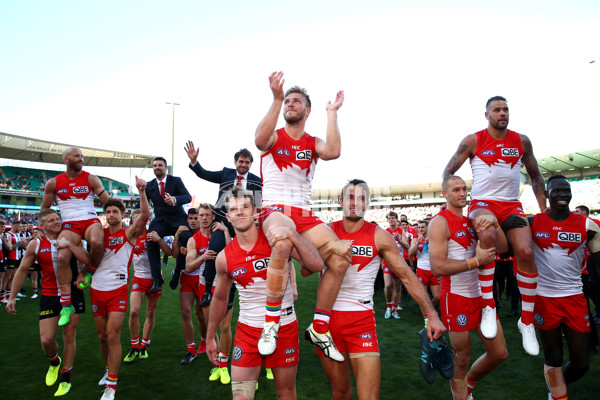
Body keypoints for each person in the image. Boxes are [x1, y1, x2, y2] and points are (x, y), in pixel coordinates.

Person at [255, 71, 351, 360]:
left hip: (305, 213)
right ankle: (270, 323)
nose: (290, 104)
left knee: (340, 259)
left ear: (307, 110)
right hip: (275, 209)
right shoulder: (275, 136)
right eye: (287, 101)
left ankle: (320, 327)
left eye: (295, 101)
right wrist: (275, 99)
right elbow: (259, 141)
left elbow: (333, 151)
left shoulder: (311, 142)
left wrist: (331, 113)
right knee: (283, 242)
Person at [321, 179, 445, 400]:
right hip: (327, 322)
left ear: (367, 203)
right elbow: (304, 270)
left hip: (362, 321)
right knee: (340, 393)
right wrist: (329, 246)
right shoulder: (326, 232)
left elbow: (407, 275)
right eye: (350, 197)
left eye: (361, 198)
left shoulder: (379, 235)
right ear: (340, 201)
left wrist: (431, 314)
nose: (355, 202)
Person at [442, 96, 545, 355]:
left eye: (506, 109)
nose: (503, 113)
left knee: (526, 252)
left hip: (511, 205)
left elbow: (535, 175)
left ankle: (527, 321)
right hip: (483, 203)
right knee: (487, 233)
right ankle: (489, 306)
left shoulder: (521, 141)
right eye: (497, 110)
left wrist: (543, 212)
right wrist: (454, 205)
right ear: (486, 115)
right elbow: (448, 172)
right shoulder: (473, 140)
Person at [206, 187, 324, 400]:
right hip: (247, 330)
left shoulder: (276, 240)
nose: (239, 212)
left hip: (284, 327)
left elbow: (316, 265)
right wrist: (209, 337)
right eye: (233, 209)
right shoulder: (224, 257)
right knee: (241, 396)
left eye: (245, 207)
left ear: (256, 211)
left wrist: (293, 235)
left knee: (286, 394)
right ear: (227, 216)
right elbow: (220, 298)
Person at [429, 175, 510, 400]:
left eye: (465, 189)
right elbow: (437, 267)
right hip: (455, 296)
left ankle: (469, 388)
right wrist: (475, 261)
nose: (462, 193)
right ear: (445, 194)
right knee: (462, 358)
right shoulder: (440, 222)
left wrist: (494, 222)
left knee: (499, 353)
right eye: (456, 190)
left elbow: (503, 248)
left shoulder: (474, 219)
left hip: (482, 298)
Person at [76, 176, 150, 400]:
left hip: (117, 290)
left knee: (112, 334)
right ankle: (108, 369)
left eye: (115, 212)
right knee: (102, 337)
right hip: (96, 290)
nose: (111, 215)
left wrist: (142, 192)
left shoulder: (128, 233)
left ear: (122, 214)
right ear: (105, 215)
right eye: (108, 212)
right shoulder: (97, 234)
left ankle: (112, 386)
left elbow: (145, 215)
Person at [530, 175, 600, 399]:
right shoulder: (531, 223)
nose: (562, 194)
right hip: (544, 299)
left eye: (566, 191)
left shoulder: (587, 225)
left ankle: (556, 387)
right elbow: (505, 249)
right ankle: (556, 394)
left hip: (575, 299)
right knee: (553, 358)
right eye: (557, 191)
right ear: (546, 195)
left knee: (582, 362)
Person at [5, 208, 89, 397]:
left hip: (73, 294)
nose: (56, 222)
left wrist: (83, 273)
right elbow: (22, 270)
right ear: (42, 225)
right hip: (50, 294)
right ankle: (54, 362)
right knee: (47, 339)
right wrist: (11, 297)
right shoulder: (36, 244)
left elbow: (86, 260)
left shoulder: (72, 238)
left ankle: (66, 378)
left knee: (69, 337)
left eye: (57, 218)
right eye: (51, 220)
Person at [183, 143, 262, 305]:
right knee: (213, 250)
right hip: (222, 220)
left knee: (241, 256)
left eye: (247, 162)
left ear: (251, 164)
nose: (244, 165)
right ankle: (206, 293)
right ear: (235, 162)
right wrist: (194, 162)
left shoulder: (256, 181)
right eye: (241, 161)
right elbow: (204, 174)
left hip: (244, 224)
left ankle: (232, 293)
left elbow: (258, 206)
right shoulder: (226, 173)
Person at [41, 147, 110, 326]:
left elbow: (108, 201)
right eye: (76, 156)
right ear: (66, 159)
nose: (81, 159)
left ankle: (88, 272)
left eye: (81, 156)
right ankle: (66, 304)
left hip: (89, 219)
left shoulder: (90, 178)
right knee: (62, 255)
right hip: (70, 224)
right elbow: (45, 210)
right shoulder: (53, 183)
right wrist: (42, 229)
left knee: (97, 241)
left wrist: (117, 218)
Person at [184, 204, 233, 381]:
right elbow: (188, 267)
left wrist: (226, 231)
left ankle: (224, 365)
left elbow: (234, 254)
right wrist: (203, 257)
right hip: (204, 286)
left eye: (207, 215)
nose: (204, 218)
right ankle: (217, 366)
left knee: (225, 326)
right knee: (213, 329)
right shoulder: (193, 240)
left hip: (224, 284)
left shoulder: (221, 232)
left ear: (213, 217)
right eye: (201, 215)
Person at [123, 209, 172, 363]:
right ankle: (134, 347)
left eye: (142, 219)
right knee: (134, 312)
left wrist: (158, 240)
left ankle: (144, 345)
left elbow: (168, 252)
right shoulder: (129, 237)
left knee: (150, 313)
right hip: (139, 278)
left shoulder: (152, 234)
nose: (139, 222)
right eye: (136, 219)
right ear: (132, 221)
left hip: (154, 279)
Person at [145, 156, 192, 293]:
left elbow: (187, 197)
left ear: (166, 168)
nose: (157, 167)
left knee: (186, 238)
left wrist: (175, 199)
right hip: (161, 221)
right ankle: (157, 279)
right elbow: (142, 204)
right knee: (150, 238)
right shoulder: (149, 186)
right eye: (155, 165)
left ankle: (177, 270)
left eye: (160, 165)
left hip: (178, 219)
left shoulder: (175, 181)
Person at [409, 219, 440, 325]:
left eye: (423, 227)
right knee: (423, 295)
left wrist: (430, 242)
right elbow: (410, 253)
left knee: (437, 296)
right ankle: (427, 319)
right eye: (419, 227)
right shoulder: (415, 239)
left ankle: (431, 311)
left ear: (428, 228)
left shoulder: (434, 238)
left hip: (434, 270)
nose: (420, 229)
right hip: (422, 270)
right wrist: (418, 243)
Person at [382, 211, 407, 319]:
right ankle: (388, 306)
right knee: (387, 285)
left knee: (397, 287)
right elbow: (381, 248)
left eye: (393, 218)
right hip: (388, 262)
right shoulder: (385, 232)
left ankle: (395, 309)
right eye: (389, 218)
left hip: (399, 262)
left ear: (396, 220)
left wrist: (398, 240)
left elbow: (407, 246)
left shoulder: (401, 231)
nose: (391, 220)